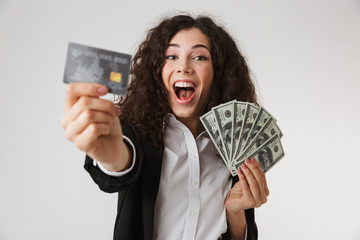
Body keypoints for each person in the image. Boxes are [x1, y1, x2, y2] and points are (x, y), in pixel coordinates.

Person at [61, 14, 269, 240]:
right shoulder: (137, 132)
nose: (184, 67)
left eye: (199, 57)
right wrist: (110, 155)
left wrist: (235, 211)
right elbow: (123, 159)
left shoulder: (234, 144)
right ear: (157, 69)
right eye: (171, 56)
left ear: (218, 72)